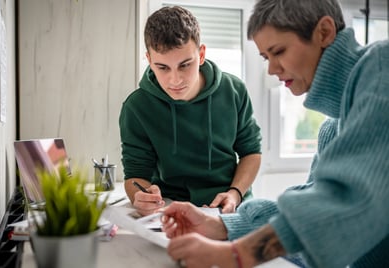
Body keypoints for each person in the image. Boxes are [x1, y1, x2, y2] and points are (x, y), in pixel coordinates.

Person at [160, 0, 389, 267]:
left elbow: (343, 203)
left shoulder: (382, 68)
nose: (271, 69)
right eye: (266, 57)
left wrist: (235, 255)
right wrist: (221, 225)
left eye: (278, 51)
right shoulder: (332, 128)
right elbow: (312, 211)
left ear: (324, 32)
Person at [119, 6, 262, 216]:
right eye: (162, 67)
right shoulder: (136, 107)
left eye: (185, 65)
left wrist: (235, 193)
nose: (175, 80)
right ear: (149, 60)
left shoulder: (234, 91)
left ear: (201, 54)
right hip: (170, 209)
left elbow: (251, 152)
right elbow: (135, 176)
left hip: (230, 207)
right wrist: (140, 197)